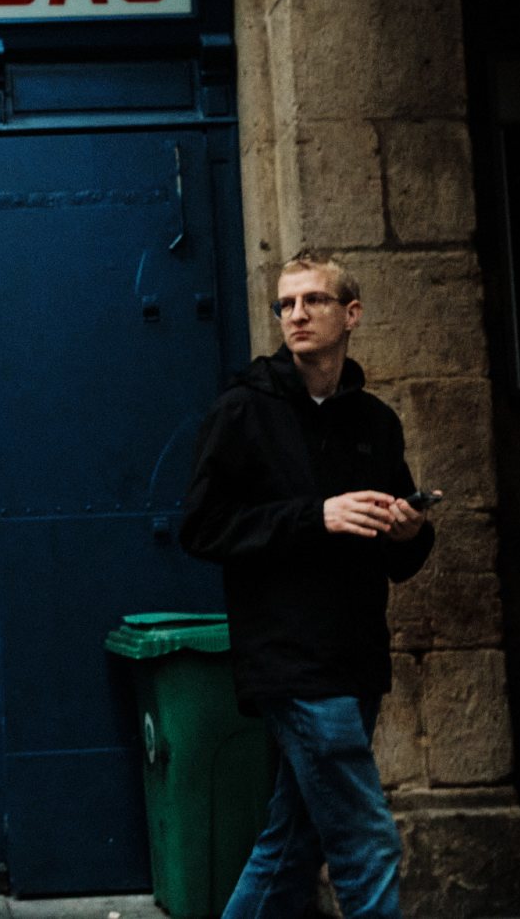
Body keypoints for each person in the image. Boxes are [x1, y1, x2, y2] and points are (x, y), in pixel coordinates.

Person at [180, 250, 437, 919]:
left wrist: (410, 532)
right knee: (367, 839)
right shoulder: (243, 410)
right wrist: (313, 516)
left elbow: (396, 558)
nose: (296, 314)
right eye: (285, 304)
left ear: (350, 314)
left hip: (357, 658)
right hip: (290, 659)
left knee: (290, 844)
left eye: (313, 301)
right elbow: (202, 528)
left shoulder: (375, 422)